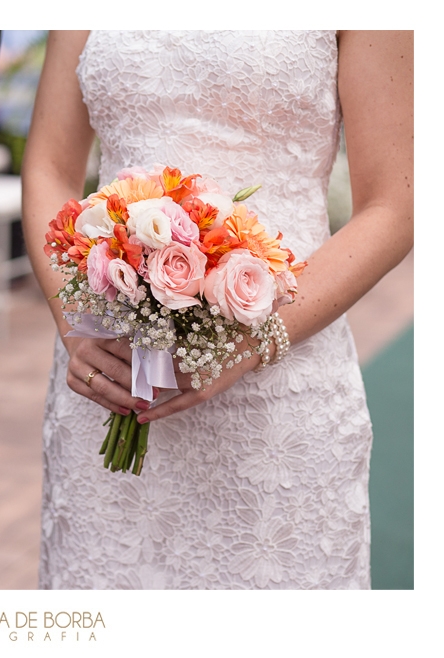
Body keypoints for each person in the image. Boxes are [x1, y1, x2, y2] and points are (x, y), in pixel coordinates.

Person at [21, 30, 412, 589]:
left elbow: (396, 203)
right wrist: (73, 324)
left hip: (279, 382)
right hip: (108, 370)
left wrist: (248, 343)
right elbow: (48, 169)